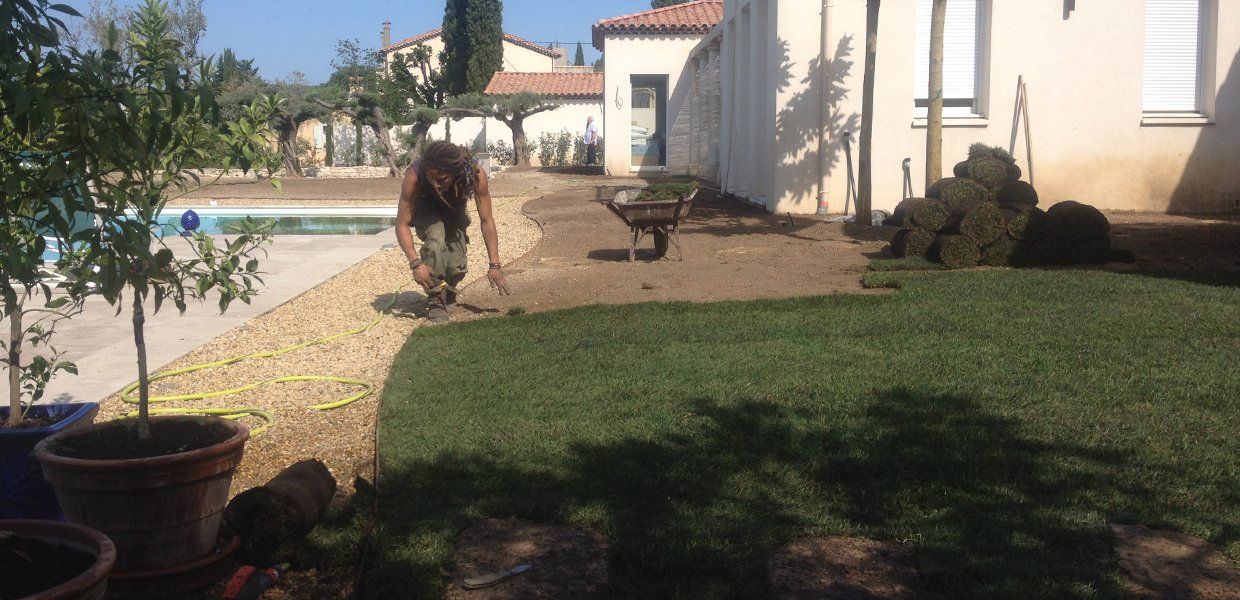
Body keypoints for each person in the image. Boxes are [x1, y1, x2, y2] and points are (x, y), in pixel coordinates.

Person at [395, 141, 512, 323]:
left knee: (456, 264)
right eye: (431, 178)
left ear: (455, 173)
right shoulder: (415, 175)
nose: (435, 184)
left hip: (455, 207)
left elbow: (487, 220)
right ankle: (435, 298)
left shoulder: (474, 175)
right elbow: (401, 223)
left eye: (441, 180)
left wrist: (494, 265)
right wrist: (415, 264)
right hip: (426, 207)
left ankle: (448, 290)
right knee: (435, 242)